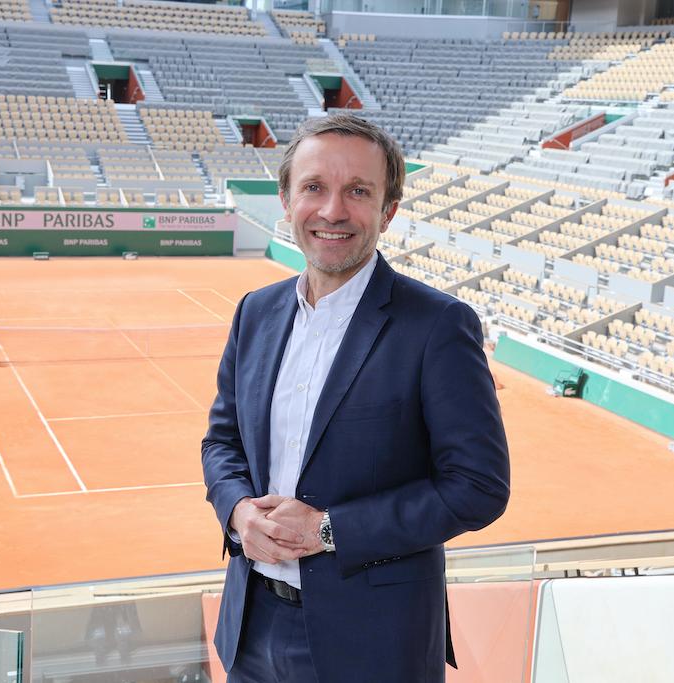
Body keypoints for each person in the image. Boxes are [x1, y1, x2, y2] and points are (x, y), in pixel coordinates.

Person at [201, 113, 510, 683]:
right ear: (285, 199)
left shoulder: (438, 325)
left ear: (388, 210)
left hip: (374, 645)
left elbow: (479, 488)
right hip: (251, 627)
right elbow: (222, 443)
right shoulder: (255, 313)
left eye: (358, 191)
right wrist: (239, 512)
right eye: (314, 187)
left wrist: (326, 530)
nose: (333, 211)